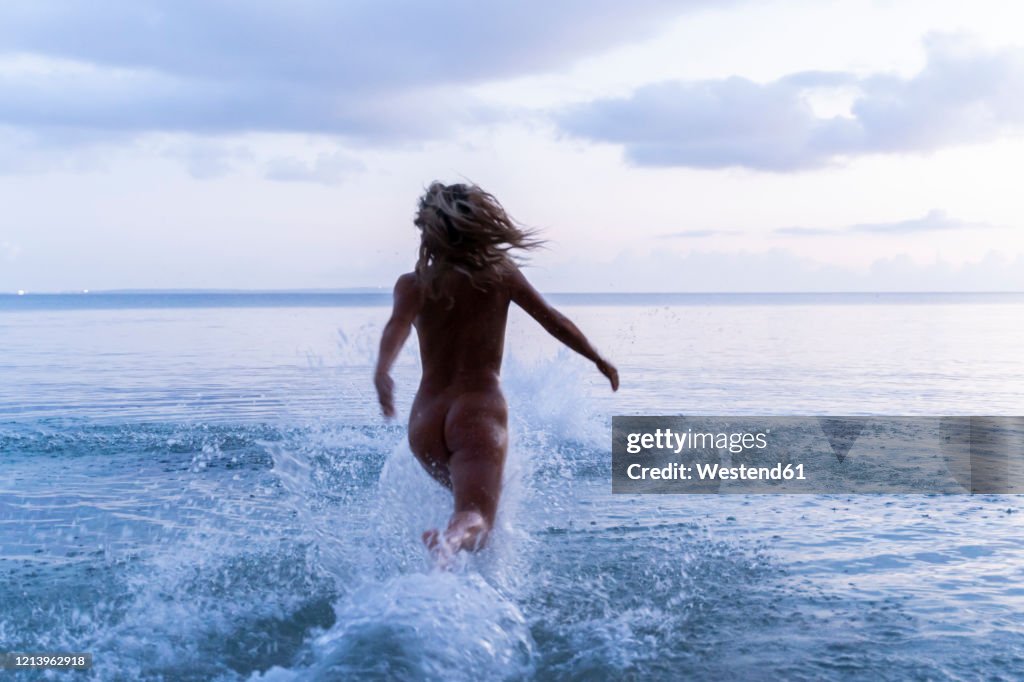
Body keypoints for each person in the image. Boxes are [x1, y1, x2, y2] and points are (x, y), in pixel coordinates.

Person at [374, 182, 618, 563]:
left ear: (429, 232)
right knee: (477, 518)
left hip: (424, 421)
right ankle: (451, 538)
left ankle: (452, 544)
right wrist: (598, 359)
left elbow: (397, 327)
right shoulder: (498, 275)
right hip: (477, 412)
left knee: (462, 496)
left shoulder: (413, 285)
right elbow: (552, 321)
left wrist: (383, 370)